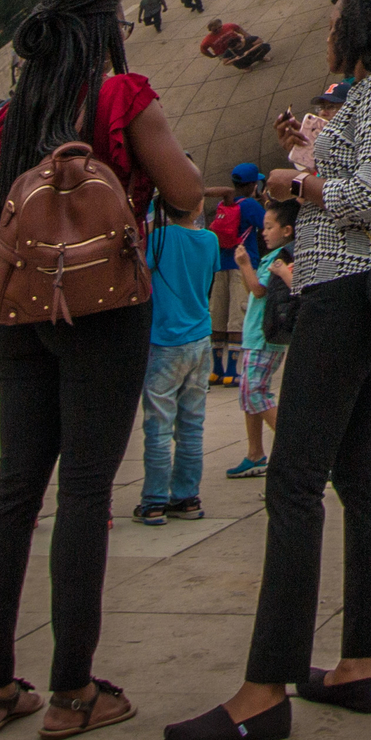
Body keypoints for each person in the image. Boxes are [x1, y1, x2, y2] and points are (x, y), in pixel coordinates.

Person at [166, 0, 371, 740]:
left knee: (292, 482)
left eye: (335, 20)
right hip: (359, 291)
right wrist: (312, 150)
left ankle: (264, 689)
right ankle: (359, 664)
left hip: (345, 293)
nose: (327, 32)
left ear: (364, 26)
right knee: (361, 478)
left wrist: (296, 182)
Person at [0, 0, 205, 740]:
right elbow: (185, 195)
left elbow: (2, 211)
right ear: (104, 28)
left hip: (21, 310)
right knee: (86, 490)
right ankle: (74, 689)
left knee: (13, 489)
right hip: (103, 311)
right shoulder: (121, 97)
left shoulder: (11, 113)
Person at [135, 182, 221, 524]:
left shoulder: (158, 239)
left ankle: (154, 500)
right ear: (199, 207)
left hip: (165, 341)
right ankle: (187, 496)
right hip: (200, 339)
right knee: (192, 424)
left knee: (158, 425)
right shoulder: (210, 240)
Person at [225, 199, 295, 479]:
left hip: (264, 337)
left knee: (255, 392)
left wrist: (243, 263)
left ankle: (298, 449)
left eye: (269, 227)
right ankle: (255, 454)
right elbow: (253, 287)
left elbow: (258, 290)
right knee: (249, 393)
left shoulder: (281, 257)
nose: (263, 232)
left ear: (287, 230)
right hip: (255, 335)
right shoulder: (272, 256)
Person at [210, 163, 265, 386]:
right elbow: (266, 225)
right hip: (242, 265)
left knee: (219, 316)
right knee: (237, 316)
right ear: (253, 184)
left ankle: (216, 370)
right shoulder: (250, 205)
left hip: (221, 264)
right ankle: (232, 371)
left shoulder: (224, 204)